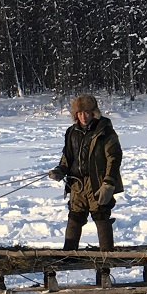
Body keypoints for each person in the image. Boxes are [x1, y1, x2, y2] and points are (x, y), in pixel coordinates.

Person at [49, 95, 124, 259]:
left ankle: (107, 258)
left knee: (101, 215)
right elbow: (67, 158)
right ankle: (67, 256)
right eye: (80, 113)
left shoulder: (105, 131)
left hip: (97, 182)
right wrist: (60, 170)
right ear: (76, 114)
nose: (84, 116)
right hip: (77, 184)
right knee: (75, 216)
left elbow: (114, 157)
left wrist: (109, 184)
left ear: (94, 112)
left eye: (87, 112)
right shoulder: (71, 132)